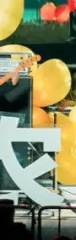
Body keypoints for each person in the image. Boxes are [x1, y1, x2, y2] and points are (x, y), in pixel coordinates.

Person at [0, 54, 33, 192]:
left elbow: (9, 104)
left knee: (11, 159)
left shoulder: (20, 83)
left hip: (8, 129)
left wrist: (13, 85)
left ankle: (10, 189)